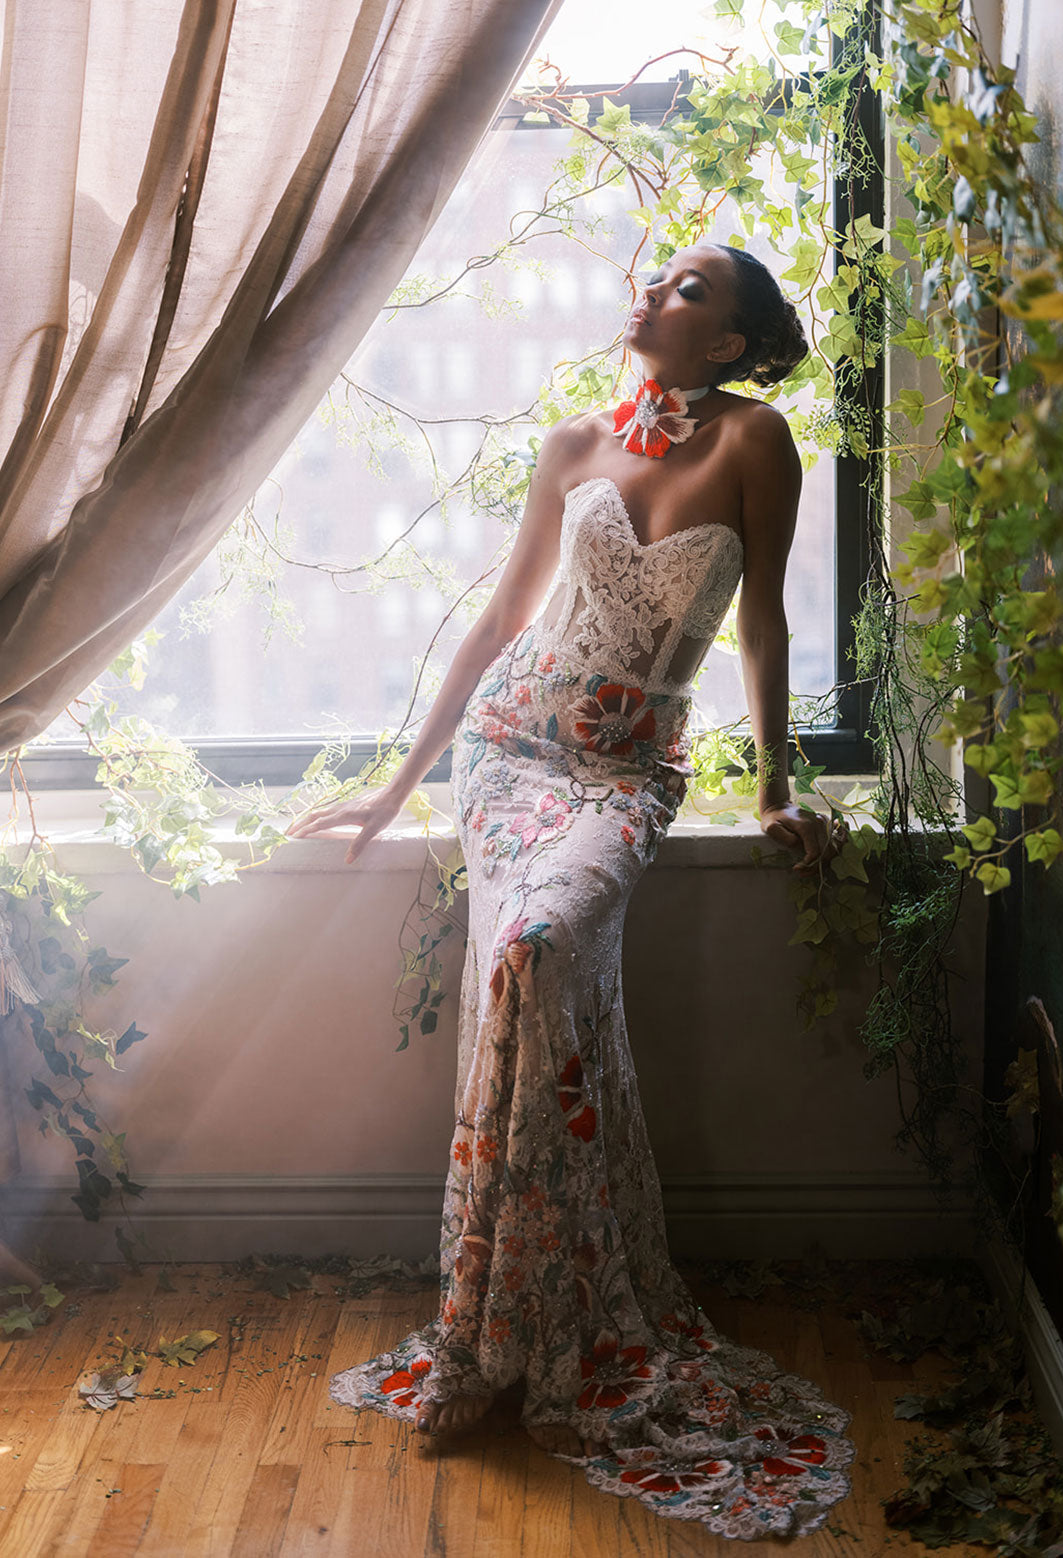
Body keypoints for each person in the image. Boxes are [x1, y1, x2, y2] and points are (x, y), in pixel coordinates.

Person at [286, 242, 856, 1541]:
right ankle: (493, 1323)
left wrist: (773, 784)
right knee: (523, 973)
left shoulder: (759, 443)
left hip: (619, 775)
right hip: (511, 751)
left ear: (728, 341)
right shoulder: (569, 445)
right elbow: (497, 628)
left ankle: (559, 1311)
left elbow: (761, 619)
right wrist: (393, 789)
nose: (655, 293)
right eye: (657, 282)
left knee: (543, 949)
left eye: (691, 290)